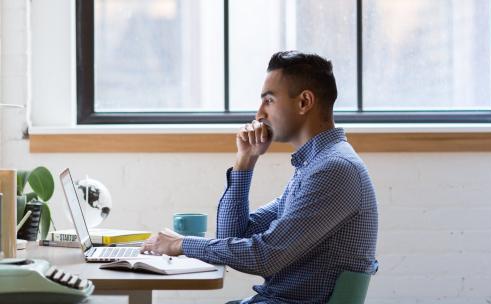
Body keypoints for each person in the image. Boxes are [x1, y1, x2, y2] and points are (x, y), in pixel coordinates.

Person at [141, 50, 379, 304]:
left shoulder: (333, 170)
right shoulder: (313, 167)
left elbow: (265, 257)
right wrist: (245, 161)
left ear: (304, 102)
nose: (259, 115)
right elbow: (232, 236)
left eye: (269, 100)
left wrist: (182, 245)